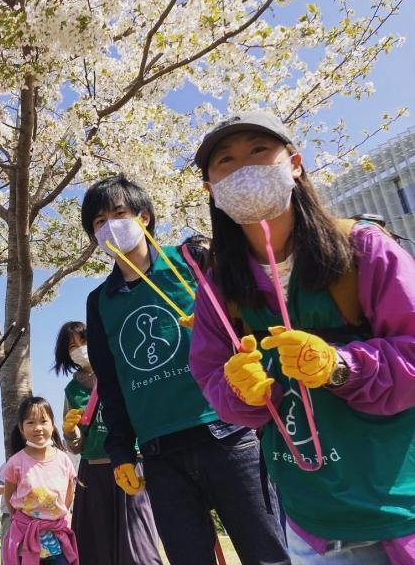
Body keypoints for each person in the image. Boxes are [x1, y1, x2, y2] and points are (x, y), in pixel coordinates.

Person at [188, 111, 415, 564]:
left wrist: (341, 366)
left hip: (400, 506)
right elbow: (212, 375)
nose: (244, 169)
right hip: (309, 521)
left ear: (294, 162)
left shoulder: (364, 249)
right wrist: (241, 391)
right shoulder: (218, 288)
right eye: (226, 161)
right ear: (211, 191)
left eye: (258, 151)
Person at [82, 174, 290, 564]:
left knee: (268, 555)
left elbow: (249, 324)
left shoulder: (193, 261)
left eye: (119, 213)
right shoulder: (99, 302)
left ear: (144, 216)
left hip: (228, 435)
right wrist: (121, 451)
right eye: (97, 222)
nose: (109, 226)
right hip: (160, 455)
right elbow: (110, 384)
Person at [54, 320, 162, 565]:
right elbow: (76, 446)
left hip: (130, 466)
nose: (80, 348)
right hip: (93, 472)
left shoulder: (121, 370)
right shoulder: (72, 390)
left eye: (84, 341)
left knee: (139, 547)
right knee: (97, 548)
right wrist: (70, 431)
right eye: (72, 346)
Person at [1, 396, 79, 565]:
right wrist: (25, 522)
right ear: (21, 428)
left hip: (57, 538)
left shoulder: (64, 459)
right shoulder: (15, 462)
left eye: (44, 421)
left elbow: (68, 496)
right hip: (26, 537)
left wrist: (54, 517)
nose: (38, 428)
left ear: (53, 425)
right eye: (30, 423)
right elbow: (9, 498)